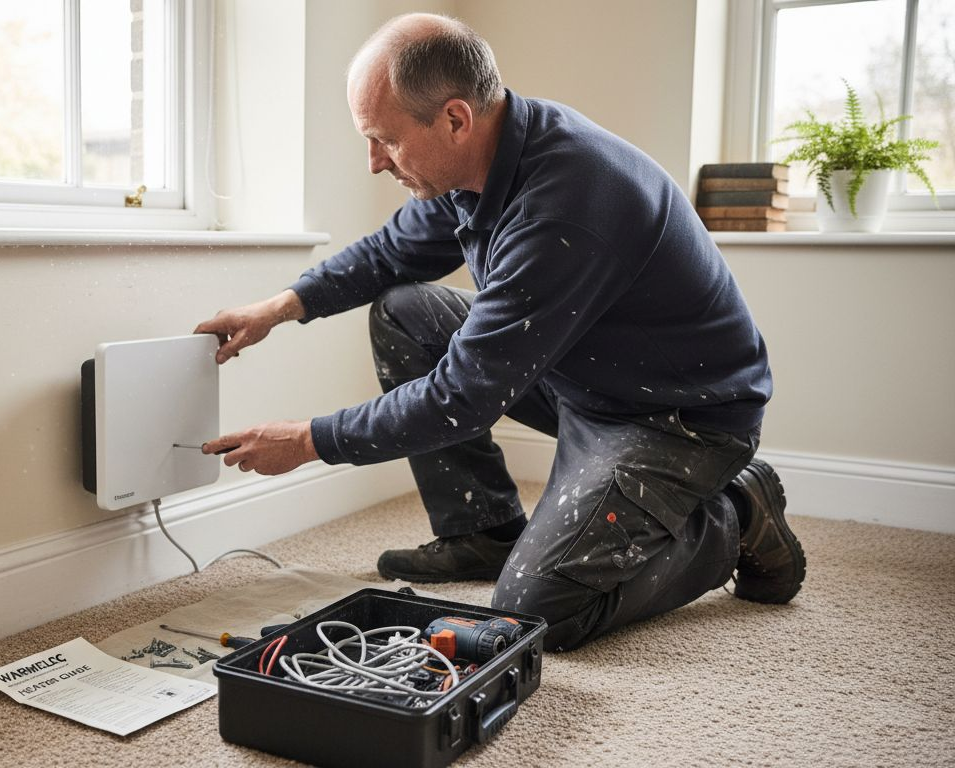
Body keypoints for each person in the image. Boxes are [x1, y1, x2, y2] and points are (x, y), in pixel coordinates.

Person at [192, 13, 806, 651]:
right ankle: (481, 531)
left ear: (455, 118)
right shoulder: (484, 156)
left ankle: (737, 513)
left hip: (675, 419)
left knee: (537, 611)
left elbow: (461, 398)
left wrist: (308, 441)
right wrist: (277, 307)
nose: (374, 162)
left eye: (385, 140)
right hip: (581, 375)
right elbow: (390, 254)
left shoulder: (564, 205)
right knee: (404, 310)